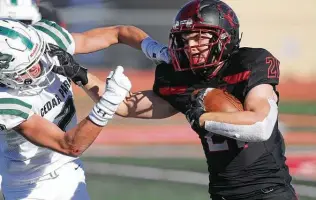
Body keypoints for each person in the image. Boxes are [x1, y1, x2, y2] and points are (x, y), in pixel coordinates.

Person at [53, 0, 297, 199]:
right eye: (186, 38)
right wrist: (80, 74)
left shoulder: (249, 63)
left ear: (224, 37)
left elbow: (260, 126)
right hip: (223, 193)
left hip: (269, 192)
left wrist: (202, 116)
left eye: (200, 37)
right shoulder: (182, 78)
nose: (191, 45)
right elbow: (126, 105)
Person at [0, 17, 170, 199]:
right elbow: (69, 145)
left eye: (39, 56)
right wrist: (108, 102)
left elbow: (118, 33)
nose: (40, 67)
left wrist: (155, 49)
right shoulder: (6, 101)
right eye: (29, 68)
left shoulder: (46, 39)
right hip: (30, 186)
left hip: (70, 167)